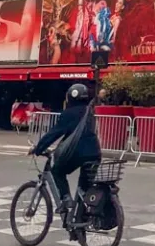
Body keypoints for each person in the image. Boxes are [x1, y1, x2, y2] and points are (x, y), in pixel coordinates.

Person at [29, 83, 101, 233]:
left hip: (78, 153)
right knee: (84, 189)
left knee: (57, 171)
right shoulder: (90, 112)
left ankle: (66, 199)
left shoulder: (69, 114)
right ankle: (79, 226)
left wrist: (38, 148)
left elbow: (54, 133)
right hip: (95, 153)